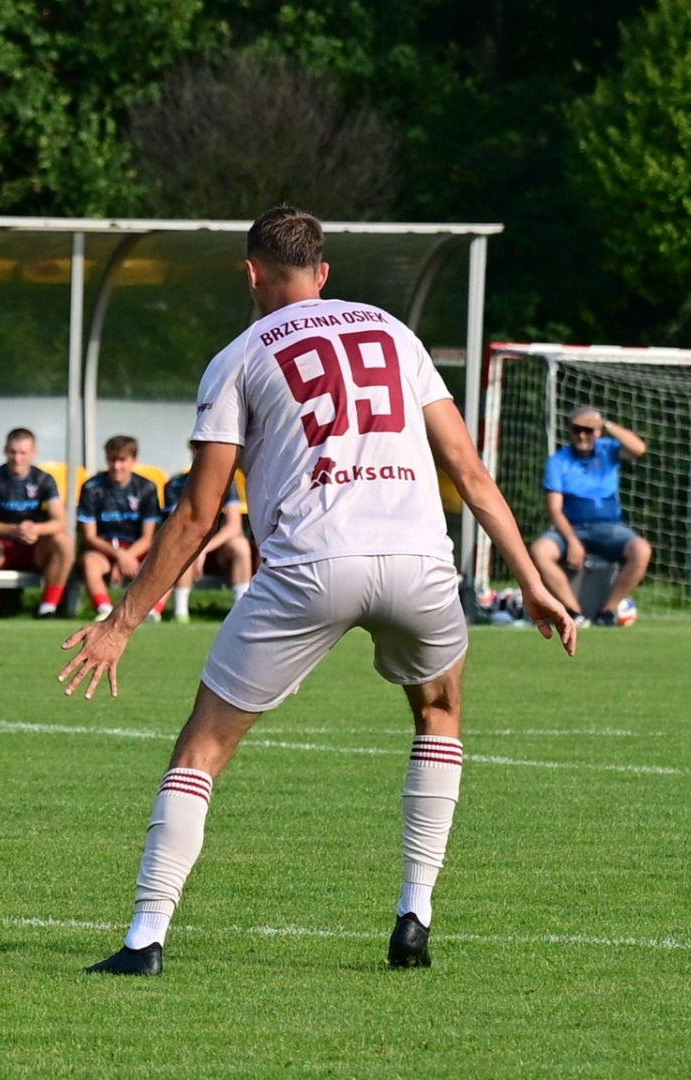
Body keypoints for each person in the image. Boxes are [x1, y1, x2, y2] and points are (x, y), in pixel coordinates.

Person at [58, 206, 576, 976]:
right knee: (438, 712)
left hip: (310, 565)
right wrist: (531, 581)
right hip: (417, 561)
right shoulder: (396, 334)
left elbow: (199, 512)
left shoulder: (236, 356)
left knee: (203, 746)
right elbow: (467, 470)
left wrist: (123, 622)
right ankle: (414, 915)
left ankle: (144, 939)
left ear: (252, 273)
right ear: (325, 273)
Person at [531, 407, 651, 627]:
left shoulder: (609, 450)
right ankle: (574, 613)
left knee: (642, 550)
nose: (582, 436)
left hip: (609, 529)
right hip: (571, 528)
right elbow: (555, 510)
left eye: (588, 430)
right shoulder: (558, 462)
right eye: (577, 430)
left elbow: (639, 448)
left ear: (597, 433)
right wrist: (572, 541)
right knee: (540, 550)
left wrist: (605, 423)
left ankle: (607, 611)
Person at [0, 428, 74, 618]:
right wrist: (14, 529)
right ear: (5, 450)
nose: (17, 458)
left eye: (23, 453)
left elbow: (60, 521)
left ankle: (48, 608)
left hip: (35, 548)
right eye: (13, 452)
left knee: (64, 540)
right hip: (1, 549)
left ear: (33, 453)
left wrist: (36, 529)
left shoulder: (44, 479)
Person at [75, 436, 164, 622]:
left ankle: (153, 611)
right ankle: (105, 609)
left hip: (136, 551)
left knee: (166, 559)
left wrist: (128, 556)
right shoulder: (92, 488)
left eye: (122, 460)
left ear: (133, 461)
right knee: (90, 562)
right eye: (112, 460)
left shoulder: (147, 488)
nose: (116, 466)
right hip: (104, 550)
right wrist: (119, 556)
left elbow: (148, 538)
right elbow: (90, 537)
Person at [162, 462, 253, 623]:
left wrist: (204, 549)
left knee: (241, 546)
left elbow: (234, 526)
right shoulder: (175, 484)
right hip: (190, 544)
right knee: (185, 546)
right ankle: (180, 613)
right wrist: (196, 548)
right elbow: (177, 527)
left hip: (217, 549)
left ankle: (241, 612)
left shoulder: (226, 481)